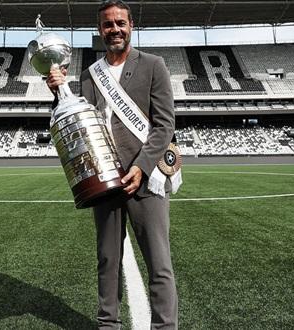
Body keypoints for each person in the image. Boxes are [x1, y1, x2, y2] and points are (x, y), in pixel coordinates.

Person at [46, 1, 178, 329]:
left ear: (131, 25)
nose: (114, 29)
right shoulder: (91, 75)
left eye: (120, 23)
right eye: (107, 25)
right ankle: (108, 324)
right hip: (104, 180)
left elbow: (164, 125)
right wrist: (57, 92)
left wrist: (142, 167)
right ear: (100, 30)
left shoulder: (153, 65)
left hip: (145, 180)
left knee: (159, 264)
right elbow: (81, 121)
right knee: (107, 261)